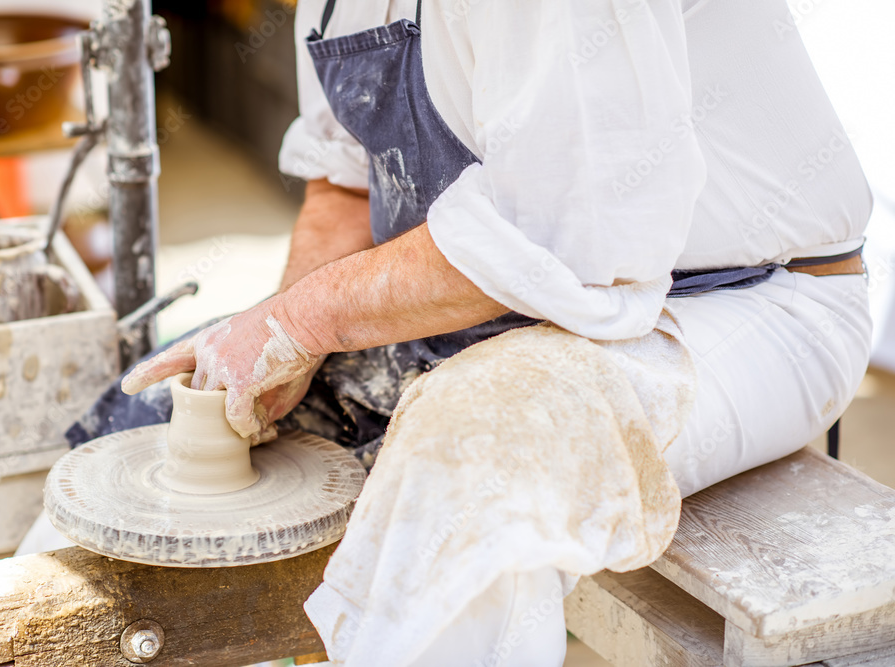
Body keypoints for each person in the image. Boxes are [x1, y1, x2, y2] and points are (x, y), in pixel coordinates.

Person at [66, 0, 873, 664]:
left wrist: (300, 318)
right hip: (519, 288)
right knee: (175, 405)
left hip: (746, 300)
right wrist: (281, 341)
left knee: (470, 451)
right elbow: (348, 184)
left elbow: (567, 229)